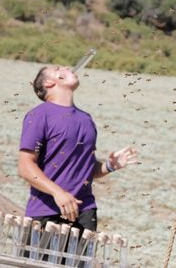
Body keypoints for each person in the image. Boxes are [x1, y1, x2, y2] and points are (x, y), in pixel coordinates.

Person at [18, 65, 138, 233]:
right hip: (46, 213)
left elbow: (86, 169)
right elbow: (25, 166)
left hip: (85, 213)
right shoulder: (39, 115)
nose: (66, 67)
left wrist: (108, 166)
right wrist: (58, 193)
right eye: (58, 68)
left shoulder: (86, 119)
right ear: (48, 82)